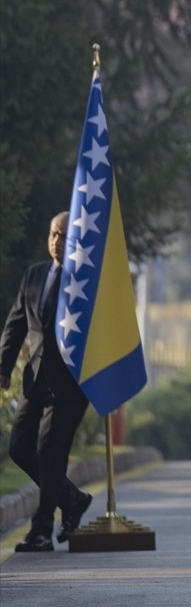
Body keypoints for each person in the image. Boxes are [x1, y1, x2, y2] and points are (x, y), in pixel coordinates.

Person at [0, 212, 94, 552]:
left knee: (50, 453)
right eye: (54, 233)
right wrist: (3, 367)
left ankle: (40, 529)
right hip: (36, 381)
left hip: (71, 384)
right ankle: (72, 499)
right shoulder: (35, 274)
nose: (57, 241)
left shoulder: (86, 281)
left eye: (65, 236)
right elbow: (16, 325)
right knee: (20, 447)